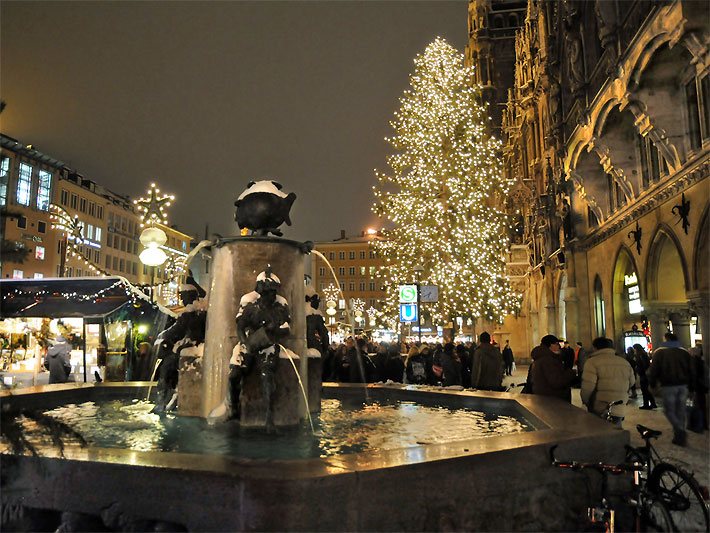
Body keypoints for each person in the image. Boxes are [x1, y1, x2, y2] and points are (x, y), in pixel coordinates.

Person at [648, 332, 694, 446]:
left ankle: (679, 430)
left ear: (666, 339)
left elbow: (654, 369)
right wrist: (692, 386)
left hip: (668, 385)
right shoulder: (684, 352)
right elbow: (692, 370)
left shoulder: (659, 352)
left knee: (669, 410)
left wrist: (652, 383)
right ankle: (679, 435)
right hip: (683, 385)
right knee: (680, 410)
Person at [580, 337, 635, 426]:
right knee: (617, 429)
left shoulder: (592, 362)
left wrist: (586, 401)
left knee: (600, 432)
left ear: (595, 347)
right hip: (620, 404)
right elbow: (632, 382)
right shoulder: (624, 362)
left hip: (600, 406)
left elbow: (588, 387)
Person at [530, 334, 576, 402]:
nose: (559, 346)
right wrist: (571, 373)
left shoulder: (541, 358)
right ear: (551, 345)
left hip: (545, 397)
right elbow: (556, 382)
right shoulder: (548, 360)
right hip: (553, 399)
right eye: (557, 344)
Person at [633, 343, 657, 410]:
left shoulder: (640, 355)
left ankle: (646, 404)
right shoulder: (644, 354)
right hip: (645, 374)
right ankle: (652, 403)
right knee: (647, 390)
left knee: (644, 390)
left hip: (644, 375)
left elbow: (643, 365)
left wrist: (639, 369)